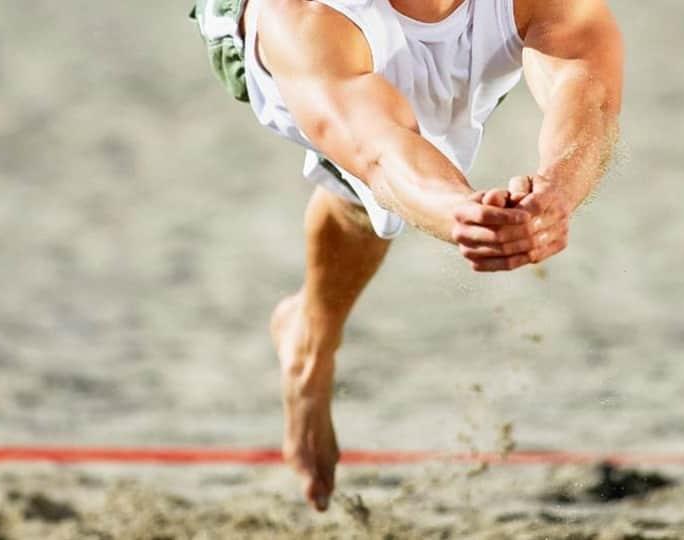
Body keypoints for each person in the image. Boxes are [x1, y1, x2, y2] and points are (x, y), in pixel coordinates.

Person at [191, 0, 623, 511]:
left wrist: (556, 193)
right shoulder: (303, 15)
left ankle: (309, 326)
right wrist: (463, 214)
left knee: (372, 191)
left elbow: (589, 90)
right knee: (372, 178)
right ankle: (311, 345)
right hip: (310, 44)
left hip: (412, 40)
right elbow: (378, 153)